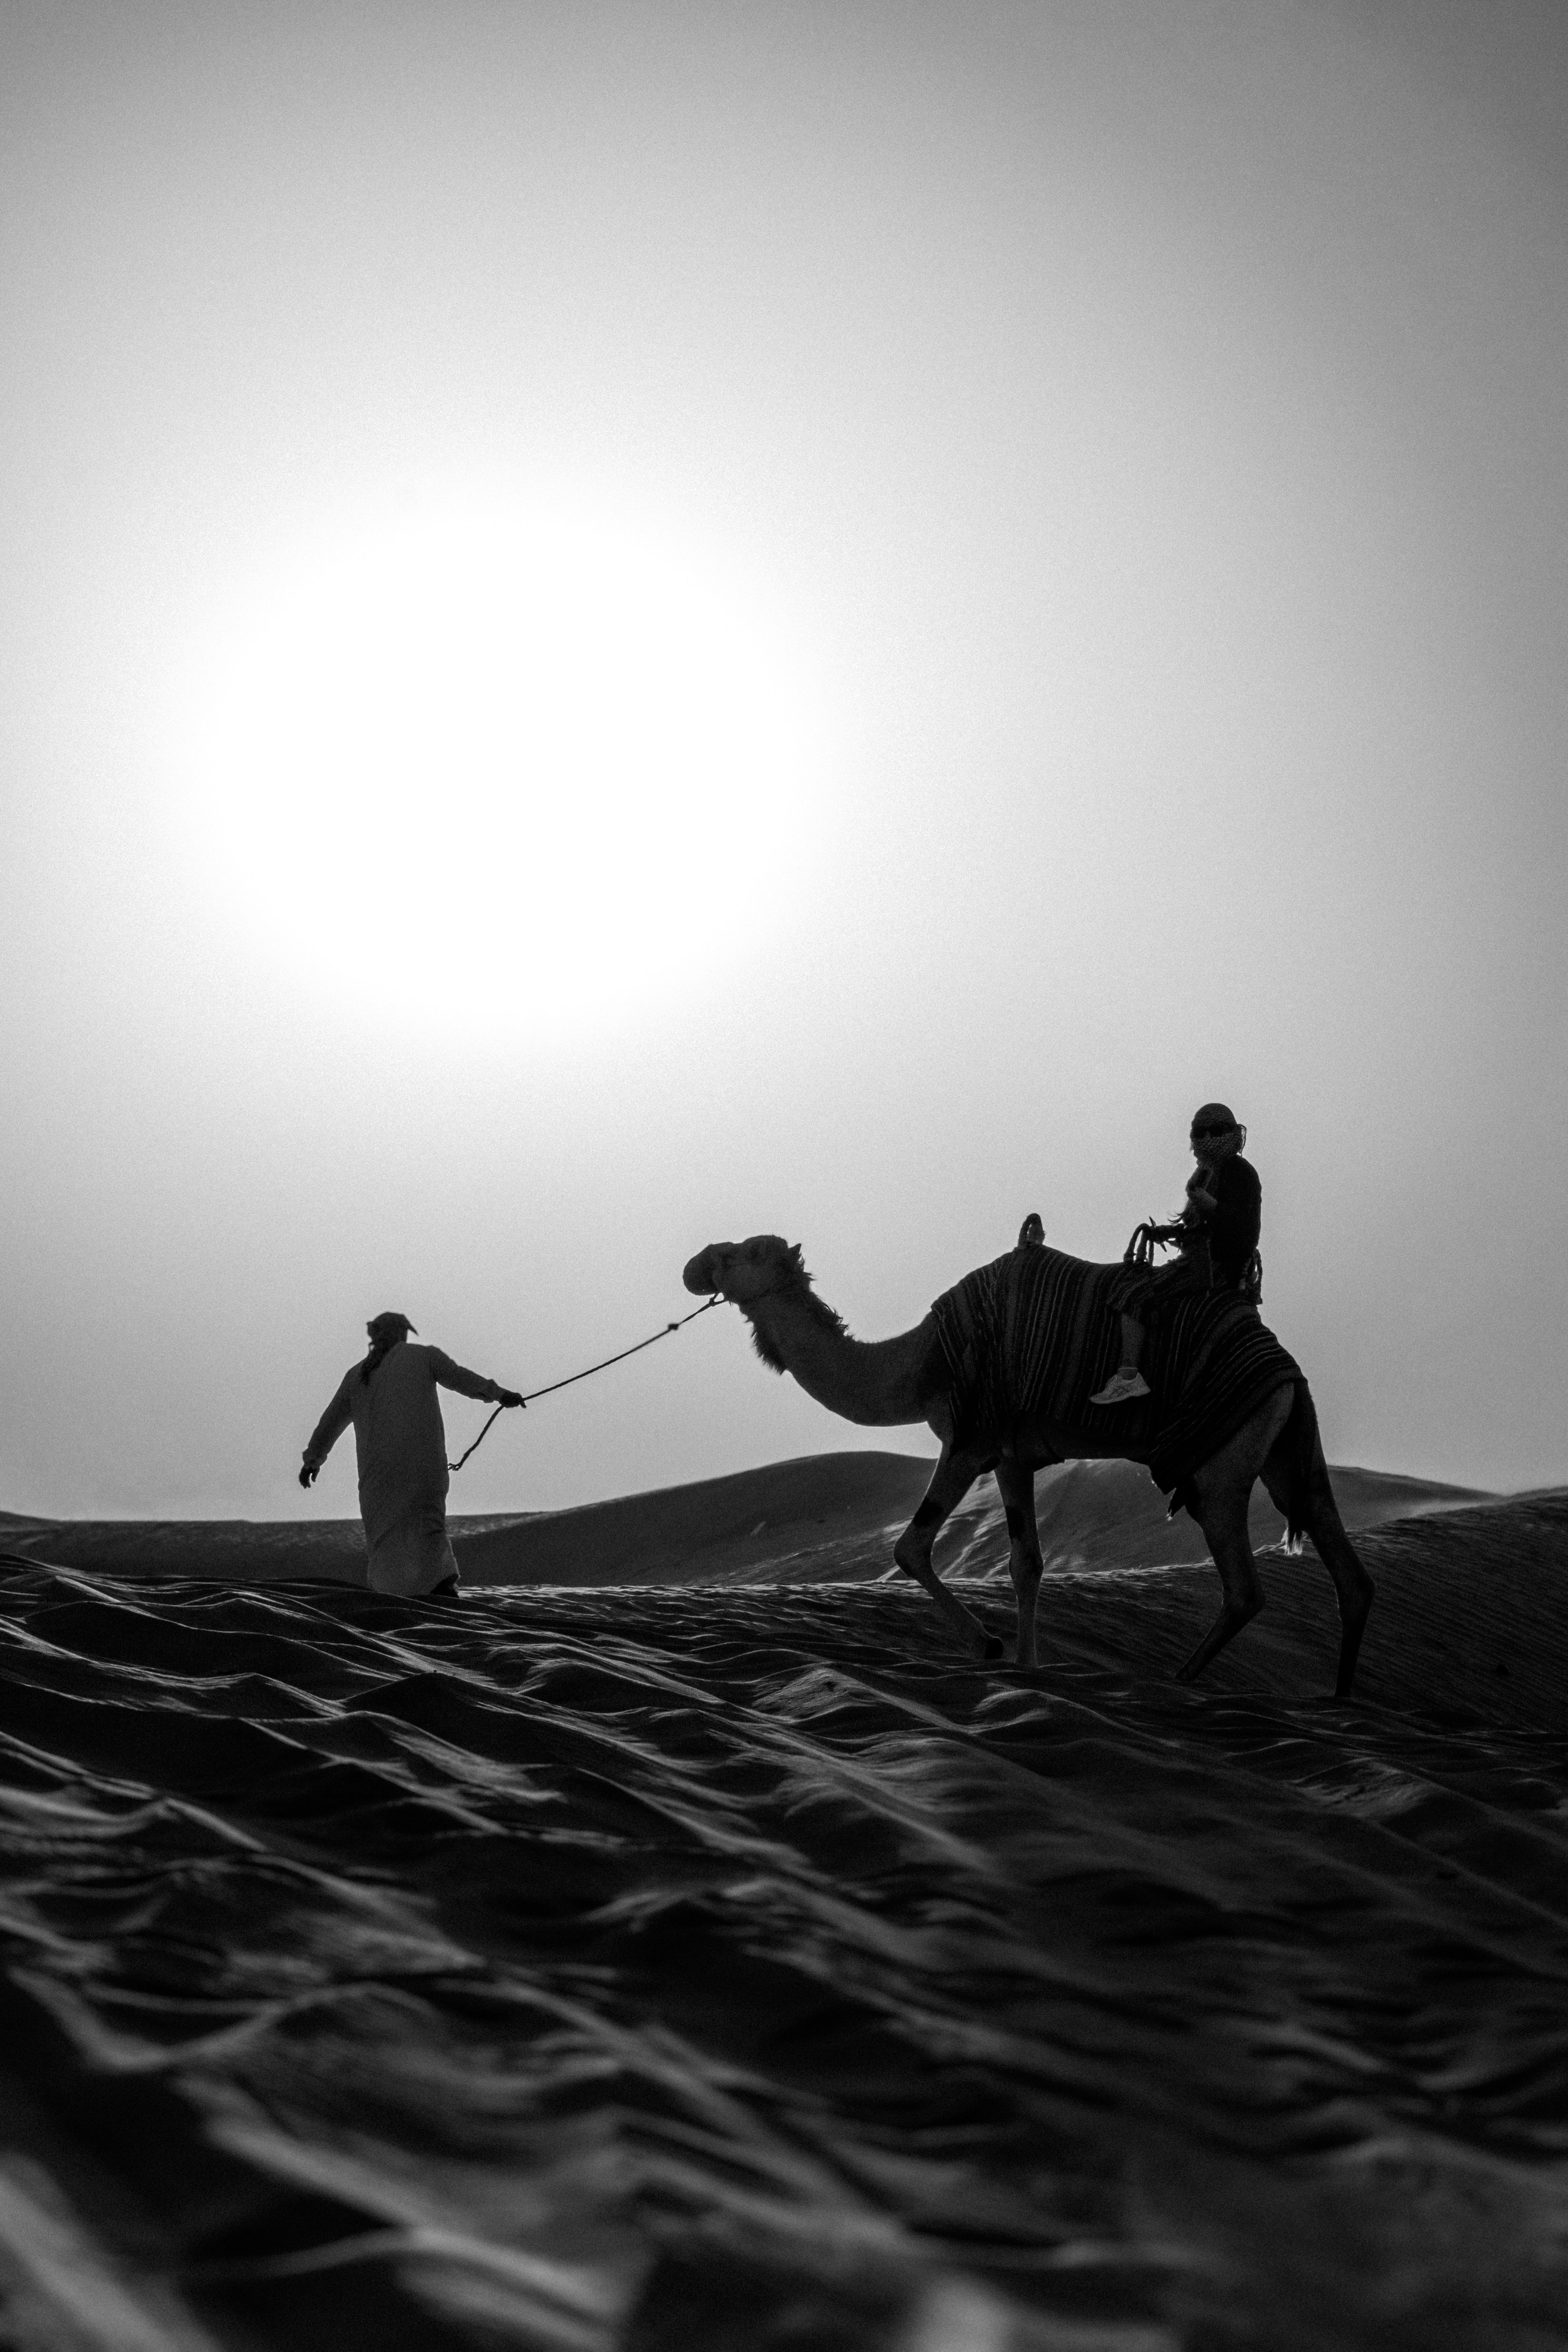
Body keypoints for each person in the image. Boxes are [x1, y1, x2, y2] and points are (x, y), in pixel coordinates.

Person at [299, 1312, 523, 1597]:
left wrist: (313, 1460)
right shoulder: (423, 1357)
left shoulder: (357, 1375)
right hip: (422, 1470)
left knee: (387, 1540)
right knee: (429, 1528)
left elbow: (330, 1422)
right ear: (400, 1333)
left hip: (378, 1480)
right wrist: (500, 1394)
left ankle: (396, 1596)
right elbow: (461, 1379)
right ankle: (441, 1593)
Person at [1090, 1105, 1262, 1406]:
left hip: (1217, 1269)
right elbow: (1203, 1228)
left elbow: (1241, 1235)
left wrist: (1208, 1206)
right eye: (1200, 1133)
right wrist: (1171, 1234)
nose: (1208, 1139)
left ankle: (1129, 1378)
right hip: (1202, 1260)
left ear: (1233, 1134)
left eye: (1217, 1132)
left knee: (1133, 1293)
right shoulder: (1209, 1173)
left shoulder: (1240, 1173)